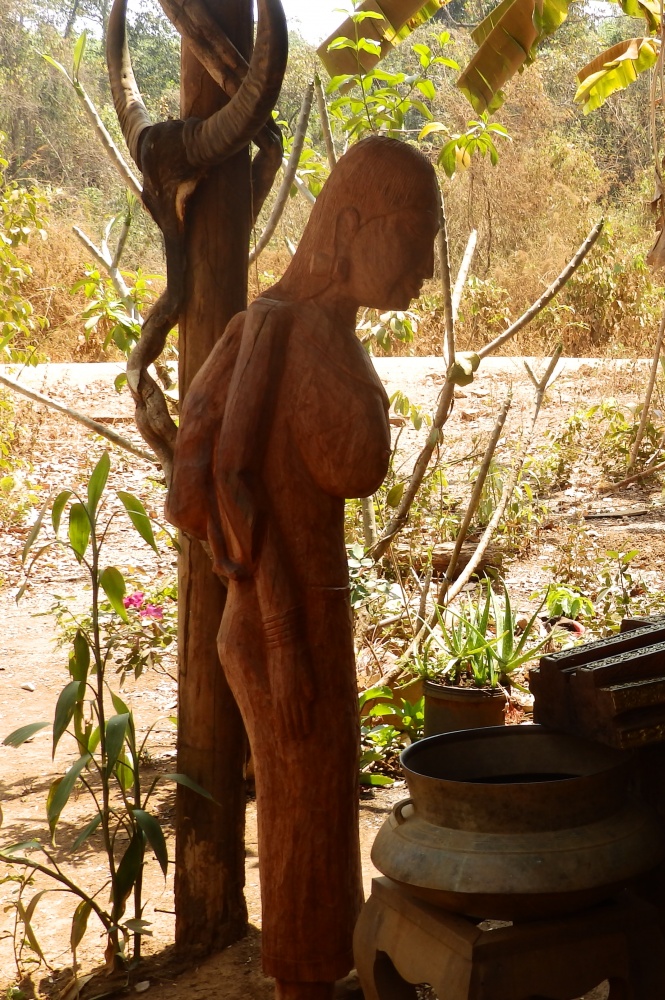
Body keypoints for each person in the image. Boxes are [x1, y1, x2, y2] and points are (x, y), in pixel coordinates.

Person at [166, 136, 441, 1000]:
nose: (427, 268)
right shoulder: (275, 327)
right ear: (351, 225)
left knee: (321, 807)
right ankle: (303, 983)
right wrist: (281, 636)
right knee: (299, 812)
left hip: (313, 611)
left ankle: (324, 974)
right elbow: (221, 479)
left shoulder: (324, 331)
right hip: (281, 621)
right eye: (415, 236)